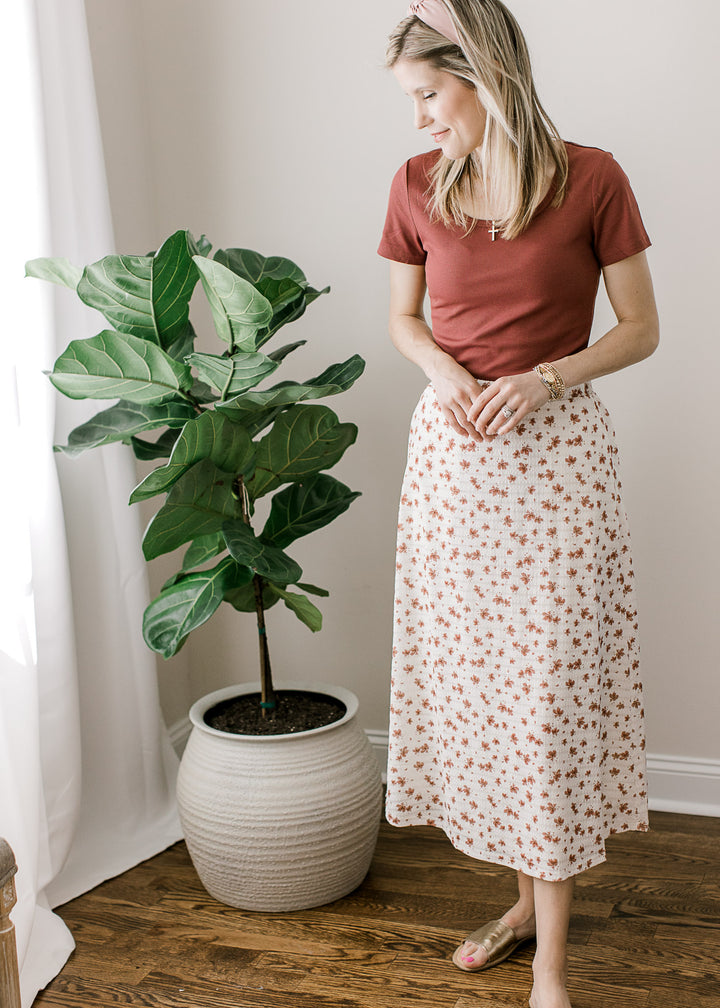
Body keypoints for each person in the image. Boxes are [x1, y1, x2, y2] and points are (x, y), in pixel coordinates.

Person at [377, 2, 659, 1007]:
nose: (418, 120)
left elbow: (640, 330)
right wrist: (444, 373)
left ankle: (549, 966)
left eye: (426, 96)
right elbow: (404, 319)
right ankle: (523, 905)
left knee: (546, 702)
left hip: (560, 467)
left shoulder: (594, 176)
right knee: (486, 697)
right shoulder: (417, 185)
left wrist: (545, 379)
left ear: (482, 74)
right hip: (455, 469)